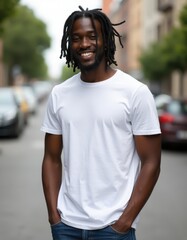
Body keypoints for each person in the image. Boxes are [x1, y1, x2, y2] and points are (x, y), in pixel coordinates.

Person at [41, 6, 161, 240]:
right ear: (69, 44)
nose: (83, 43)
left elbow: (152, 162)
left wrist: (125, 221)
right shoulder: (59, 94)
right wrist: (54, 216)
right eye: (76, 38)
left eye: (91, 36)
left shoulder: (135, 93)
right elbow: (51, 158)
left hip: (114, 228)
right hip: (66, 226)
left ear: (106, 40)